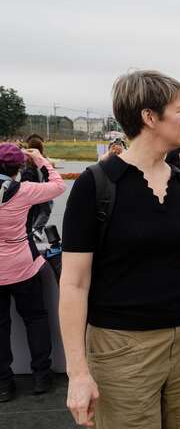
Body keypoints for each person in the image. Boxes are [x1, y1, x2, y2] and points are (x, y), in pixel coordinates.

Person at [60, 70, 180, 428]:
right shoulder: (95, 185)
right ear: (149, 117)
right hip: (122, 351)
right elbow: (73, 284)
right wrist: (78, 372)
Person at [0, 144, 65, 402]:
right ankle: (41, 376)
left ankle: (4, 384)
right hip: (23, 267)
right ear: (18, 168)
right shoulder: (24, 191)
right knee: (35, 318)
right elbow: (59, 185)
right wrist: (40, 160)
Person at [21, 135, 54, 242]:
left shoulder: (25, 159)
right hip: (41, 189)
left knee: (34, 210)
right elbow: (49, 175)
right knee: (46, 209)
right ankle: (37, 229)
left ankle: (33, 230)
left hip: (27, 189)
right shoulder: (41, 159)